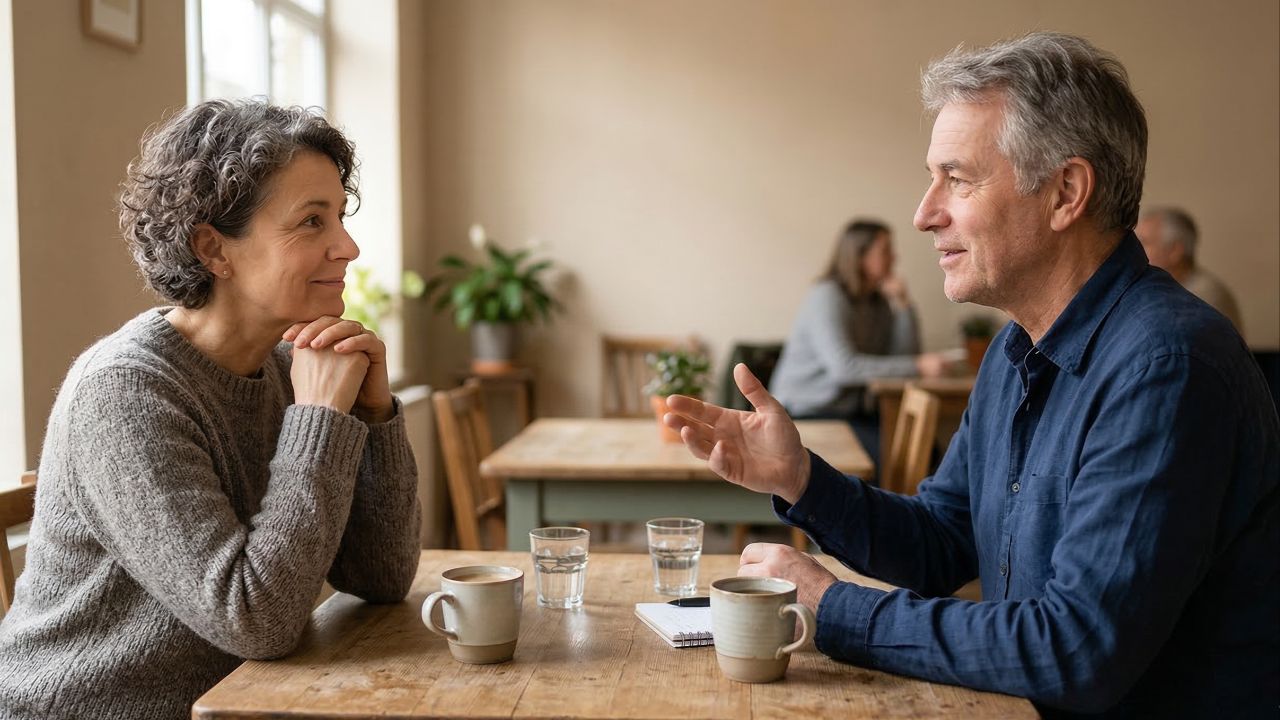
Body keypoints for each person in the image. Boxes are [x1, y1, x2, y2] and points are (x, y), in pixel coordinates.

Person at [663, 32, 1278, 717]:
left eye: (957, 179)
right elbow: (943, 541)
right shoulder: (1017, 350)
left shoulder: (1168, 365)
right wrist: (800, 479)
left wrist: (831, 607)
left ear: (1066, 192)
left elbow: (1075, 648)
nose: (925, 214)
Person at [0, 99, 423, 719]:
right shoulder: (125, 393)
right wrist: (322, 424)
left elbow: (382, 577)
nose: (349, 246)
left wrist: (374, 413)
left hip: (241, 701)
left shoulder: (286, 367)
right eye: (312, 222)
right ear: (214, 249)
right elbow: (256, 620)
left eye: (340, 216)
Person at [769, 219, 951, 467]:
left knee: (926, 451)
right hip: (807, 413)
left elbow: (902, 359)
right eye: (885, 250)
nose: (894, 257)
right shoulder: (827, 296)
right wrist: (918, 366)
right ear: (860, 256)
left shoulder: (877, 302)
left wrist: (903, 305)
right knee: (893, 458)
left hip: (848, 413)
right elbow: (844, 369)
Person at [1135, 206, 1243, 331]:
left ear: (1175, 251)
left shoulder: (1207, 295)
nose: (1137, 249)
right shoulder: (1160, 288)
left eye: (1144, 242)